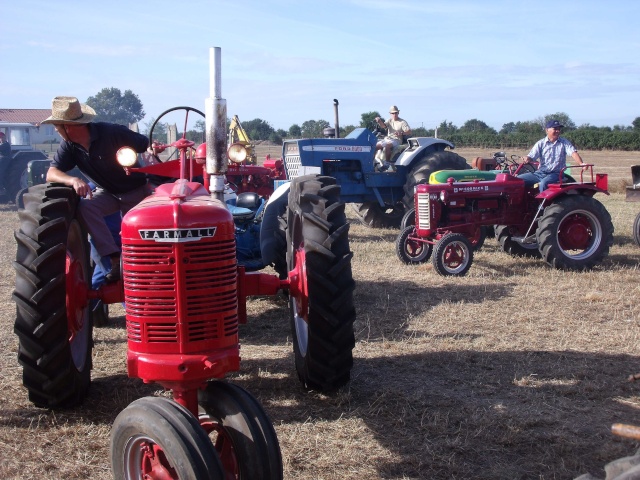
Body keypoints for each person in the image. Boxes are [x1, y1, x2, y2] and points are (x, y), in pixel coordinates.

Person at [42, 96, 150, 282]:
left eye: (57, 126)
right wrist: (73, 180)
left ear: (68, 127)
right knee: (87, 207)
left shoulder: (112, 132)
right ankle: (115, 258)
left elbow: (143, 143)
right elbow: (51, 173)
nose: (56, 130)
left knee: (143, 227)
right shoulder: (69, 145)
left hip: (136, 192)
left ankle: (146, 266)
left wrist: (127, 151)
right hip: (108, 192)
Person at [517, 119, 586, 192]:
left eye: (559, 129)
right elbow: (531, 156)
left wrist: (581, 163)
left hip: (556, 174)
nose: (558, 131)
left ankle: (542, 203)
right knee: (517, 180)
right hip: (540, 173)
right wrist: (527, 158)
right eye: (555, 129)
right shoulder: (540, 143)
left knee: (544, 183)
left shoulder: (564, 143)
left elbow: (573, 153)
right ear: (547, 130)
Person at [0, 132, 12, 196]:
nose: (1, 139)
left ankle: (1, 188)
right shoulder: (2, 144)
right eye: (0, 138)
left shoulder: (6, 144)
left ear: (5, 138)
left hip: (5, 159)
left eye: (2, 137)